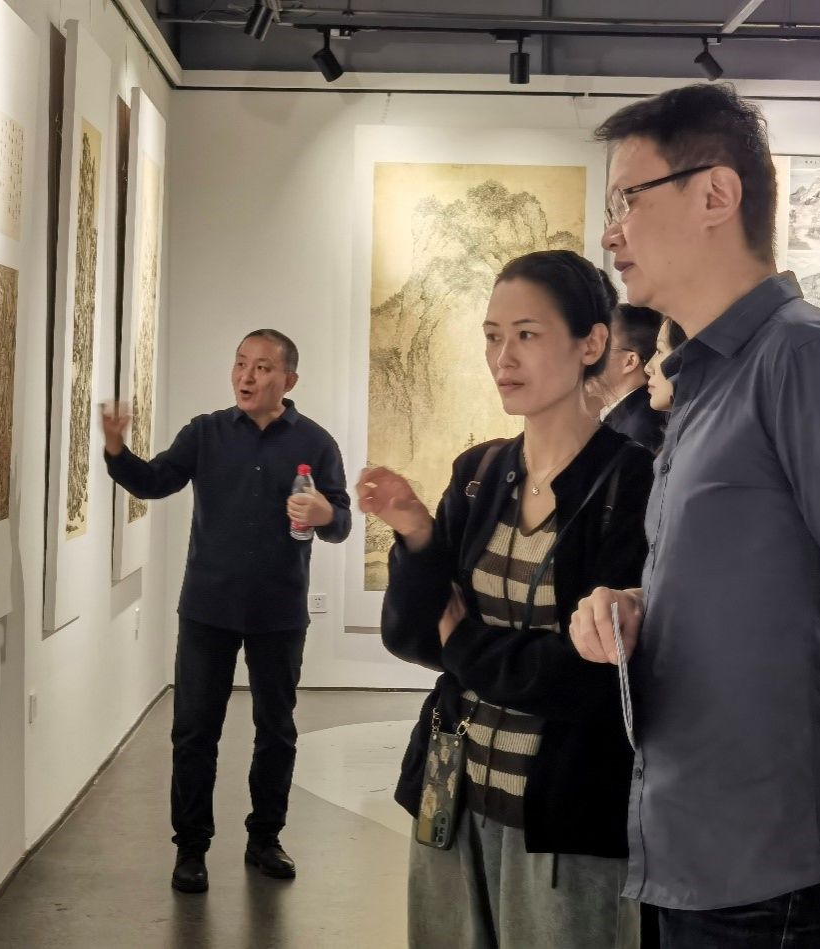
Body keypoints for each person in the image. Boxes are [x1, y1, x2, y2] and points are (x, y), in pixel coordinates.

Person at [570, 83, 820, 948]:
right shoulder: (707, 382)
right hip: (696, 847)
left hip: (777, 865)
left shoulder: (804, 358)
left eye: (627, 200)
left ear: (716, 193)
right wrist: (637, 606)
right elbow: (754, 579)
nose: (611, 234)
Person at [359, 250, 655, 948]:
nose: (503, 357)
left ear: (591, 342)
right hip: (452, 789)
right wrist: (418, 538)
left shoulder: (633, 483)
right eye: (493, 336)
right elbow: (412, 638)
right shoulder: (480, 472)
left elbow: (585, 679)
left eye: (527, 334)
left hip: (564, 812)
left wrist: (464, 641)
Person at [101, 329, 351, 894]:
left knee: (276, 732)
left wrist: (324, 515)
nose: (246, 376)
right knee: (194, 733)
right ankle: (190, 847)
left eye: (262, 367)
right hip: (207, 608)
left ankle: (266, 839)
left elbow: (340, 523)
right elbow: (155, 481)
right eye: (240, 363)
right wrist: (117, 449)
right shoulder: (205, 432)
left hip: (279, 611)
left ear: (288, 379)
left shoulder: (316, 443)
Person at [599, 304, 668, 453]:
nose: (587, 353)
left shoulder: (638, 431)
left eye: (601, 345)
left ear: (630, 361)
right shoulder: (629, 418)